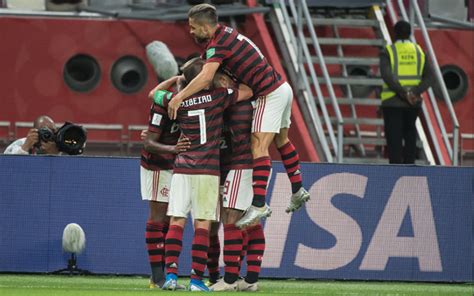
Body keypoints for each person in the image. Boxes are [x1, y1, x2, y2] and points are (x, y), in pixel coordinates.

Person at [163, 3, 310, 228]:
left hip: (269, 94)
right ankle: (298, 189)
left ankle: (259, 204)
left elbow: (205, 78)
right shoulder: (226, 34)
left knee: (258, 146)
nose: (190, 31)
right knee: (282, 140)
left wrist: (179, 97)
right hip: (281, 87)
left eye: (193, 27)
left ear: (204, 26)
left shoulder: (219, 43)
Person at [153, 58, 253, 291]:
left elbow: (153, 94)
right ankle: (197, 280)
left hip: (182, 169)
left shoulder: (176, 100)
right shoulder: (219, 96)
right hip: (208, 171)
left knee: (177, 220)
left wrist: (177, 83)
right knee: (203, 224)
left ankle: (171, 276)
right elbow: (247, 91)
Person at [208, 72, 265, 291]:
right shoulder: (247, 102)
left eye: (218, 79)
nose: (215, 83)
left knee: (230, 216)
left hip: (241, 166)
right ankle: (250, 280)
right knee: (250, 222)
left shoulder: (236, 105)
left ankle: (230, 280)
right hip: (249, 165)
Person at [141, 76, 190, 289]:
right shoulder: (166, 102)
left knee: (171, 221)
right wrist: (174, 149)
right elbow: (149, 143)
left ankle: (158, 277)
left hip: (175, 166)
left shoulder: (194, 103)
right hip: (157, 165)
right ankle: (158, 278)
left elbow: (153, 92)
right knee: (158, 218)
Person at [380, 20, 434, 164]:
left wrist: (404, 93)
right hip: (413, 103)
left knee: (394, 138)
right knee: (410, 135)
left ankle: (396, 171)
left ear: (394, 33)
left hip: (392, 102)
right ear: (410, 33)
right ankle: (410, 167)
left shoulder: (388, 51)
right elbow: (430, 77)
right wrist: (414, 93)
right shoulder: (419, 51)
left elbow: (387, 75)